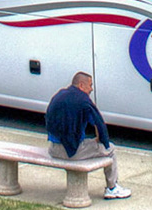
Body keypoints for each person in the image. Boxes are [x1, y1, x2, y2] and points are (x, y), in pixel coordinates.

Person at [45, 71, 130, 199]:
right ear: (81, 85)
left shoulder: (59, 95)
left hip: (53, 149)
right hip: (72, 153)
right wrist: (100, 141)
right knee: (110, 149)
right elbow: (99, 124)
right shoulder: (83, 101)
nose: (91, 89)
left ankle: (112, 188)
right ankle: (112, 188)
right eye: (90, 85)